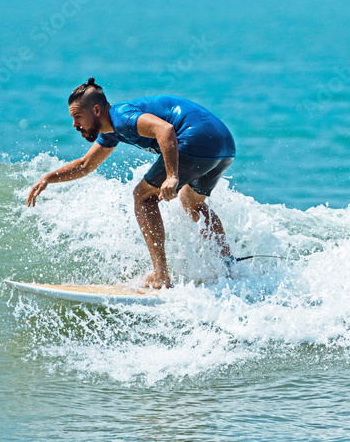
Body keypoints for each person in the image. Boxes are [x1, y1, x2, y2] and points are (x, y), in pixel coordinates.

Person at [26, 79, 236, 289]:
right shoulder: (111, 131)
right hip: (224, 146)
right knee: (192, 202)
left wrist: (172, 176)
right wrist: (48, 178)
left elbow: (165, 130)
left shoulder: (122, 118)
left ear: (96, 110)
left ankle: (161, 277)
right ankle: (229, 268)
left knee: (143, 196)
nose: (74, 124)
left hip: (195, 139)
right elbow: (85, 165)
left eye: (78, 117)